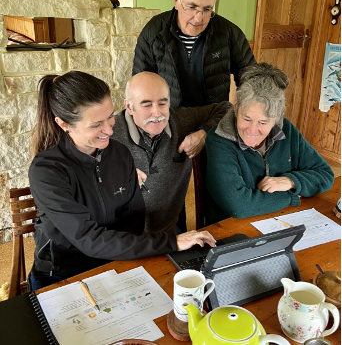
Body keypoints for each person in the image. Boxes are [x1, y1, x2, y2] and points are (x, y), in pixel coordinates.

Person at [28, 71, 216, 291]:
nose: (109, 129)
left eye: (109, 117)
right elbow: (90, 239)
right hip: (64, 274)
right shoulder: (46, 170)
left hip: (115, 263)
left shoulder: (119, 154)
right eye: (96, 124)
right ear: (63, 124)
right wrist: (171, 242)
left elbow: (134, 223)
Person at [205, 63, 335, 224]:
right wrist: (292, 195)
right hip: (230, 229)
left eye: (263, 122)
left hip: (280, 220)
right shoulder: (218, 140)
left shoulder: (287, 129)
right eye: (246, 119)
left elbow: (325, 175)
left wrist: (290, 181)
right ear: (237, 108)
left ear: (277, 117)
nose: (252, 130)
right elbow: (238, 206)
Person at [112, 72, 230, 234]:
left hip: (168, 232)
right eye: (146, 105)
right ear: (129, 107)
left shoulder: (181, 121)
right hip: (122, 238)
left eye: (162, 103)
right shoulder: (109, 132)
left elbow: (227, 109)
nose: (157, 113)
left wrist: (203, 134)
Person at [133, 0, 256, 110]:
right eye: (192, 7)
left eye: (207, 9)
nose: (199, 18)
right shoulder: (153, 32)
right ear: (176, 0)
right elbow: (140, 86)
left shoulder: (229, 33)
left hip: (213, 122)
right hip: (167, 121)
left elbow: (252, 82)